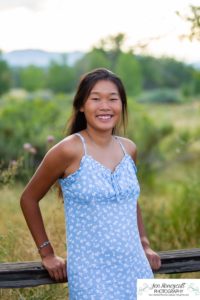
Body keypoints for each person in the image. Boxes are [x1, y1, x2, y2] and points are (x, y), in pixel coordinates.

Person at [20, 68, 161, 299]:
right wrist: (47, 253)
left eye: (113, 99)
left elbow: (129, 201)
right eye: (95, 99)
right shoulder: (68, 150)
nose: (105, 106)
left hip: (136, 269)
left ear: (122, 105)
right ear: (81, 106)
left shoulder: (129, 148)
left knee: (187, 293)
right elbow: (28, 199)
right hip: (92, 277)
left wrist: (145, 244)